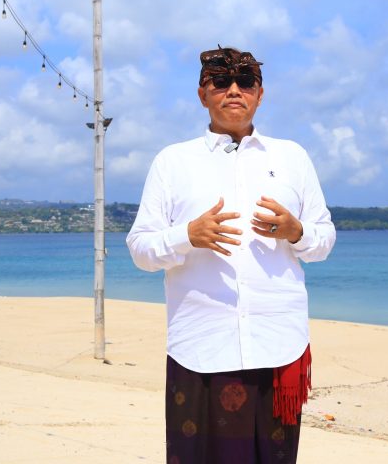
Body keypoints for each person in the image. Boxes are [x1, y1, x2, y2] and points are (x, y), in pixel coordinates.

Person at [126, 45, 336, 463]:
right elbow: (140, 250)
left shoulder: (292, 157)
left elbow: (324, 239)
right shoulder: (173, 161)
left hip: (278, 343)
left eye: (246, 82)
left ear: (260, 93)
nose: (234, 90)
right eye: (221, 82)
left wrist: (296, 231)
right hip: (201, 346)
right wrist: (187, 235)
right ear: (203, 94)